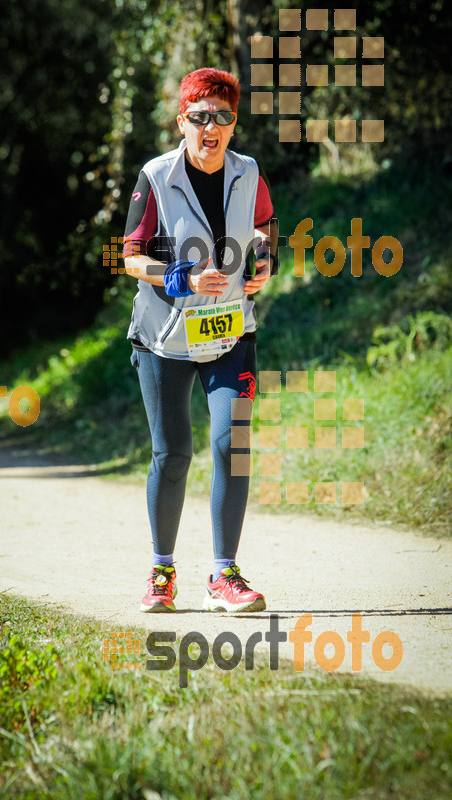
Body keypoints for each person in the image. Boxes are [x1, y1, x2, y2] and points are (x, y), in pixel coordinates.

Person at [123, 68, 277, 613]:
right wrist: (179, 278)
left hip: (231, 330)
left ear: (233, 124)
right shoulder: (155, 176)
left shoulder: (249, 171)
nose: (211, 127)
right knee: (173, 454)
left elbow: (265, 223)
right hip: (164, 338)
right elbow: (129, 256)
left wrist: (265, 258)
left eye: (223, 117)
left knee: (231, 447)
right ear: (181, 121)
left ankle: (224, 575)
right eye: (200, 117)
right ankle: (162, 572)